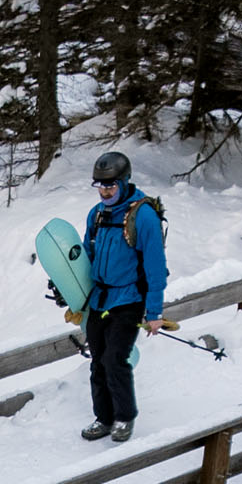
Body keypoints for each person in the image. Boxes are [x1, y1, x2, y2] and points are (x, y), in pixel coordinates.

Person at [79, 151, 165, 442]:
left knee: (115, 360)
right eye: (100, 185)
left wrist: (153, 313)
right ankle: (103, 418)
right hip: (100, 299)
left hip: (129, 299)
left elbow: (156, 268)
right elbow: (87, 254)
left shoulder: (143, 217)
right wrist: (70, 290)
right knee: (97, 361)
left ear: (125, 181)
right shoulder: (97, 214)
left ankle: (124, 418)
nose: (104, 191)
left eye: (111, 185)